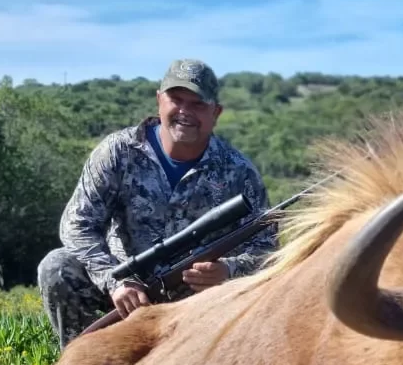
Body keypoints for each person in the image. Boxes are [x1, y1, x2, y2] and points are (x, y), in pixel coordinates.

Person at [38, 59, 277, 349]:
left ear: (216, 113)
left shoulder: (239, 171)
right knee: (57, 266)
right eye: (176, 99)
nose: (185, 112)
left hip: (198, 301)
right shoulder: (118, 152)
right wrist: (115, 281)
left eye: (198, 104)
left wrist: (227, 270)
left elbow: (267, 248)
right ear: (159, 100)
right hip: (125, 289)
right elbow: (77, 224)